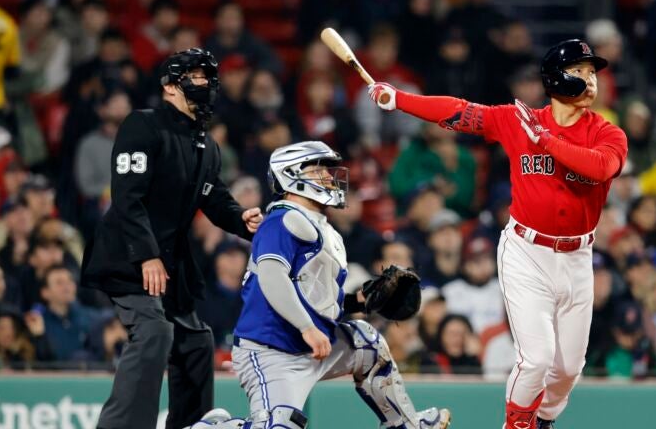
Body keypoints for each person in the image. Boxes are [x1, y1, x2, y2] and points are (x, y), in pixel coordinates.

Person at [369, 39, 628, 429]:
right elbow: (460, 112)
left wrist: (545, 140)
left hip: (577, 258)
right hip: (527, 250)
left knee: (568, 370)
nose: (590, 80)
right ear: (556, 77)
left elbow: (602, 168)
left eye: (593, 72)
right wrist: (400, 99)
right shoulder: (517, 120)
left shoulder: (605, 132)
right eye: (580, 71)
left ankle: (543, 420)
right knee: (536, 358)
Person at [186, 141, 451, 429]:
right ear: (292, 175)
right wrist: (306, 327)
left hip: (311, 345)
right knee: (280, 426)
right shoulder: (282, 219)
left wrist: (357, 301)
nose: (328, 176)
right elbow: (273, 277)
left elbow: (317, 299)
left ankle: (407, 425)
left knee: (367, 343)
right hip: (271, 350)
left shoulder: (321, 227)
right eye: (318, 170)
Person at [81, 48, 263, 429]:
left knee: (196, 343)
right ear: (169, 86)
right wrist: (146, 255)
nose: (206, 83)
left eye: (208, 76)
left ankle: (193, 426)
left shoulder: (206, 145)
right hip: (129, 256)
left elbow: (214, 197)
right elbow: (127, 197)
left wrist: (241, 219)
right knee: (153, 332)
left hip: (170, 262)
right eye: (195, 75)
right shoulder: (142, 126)